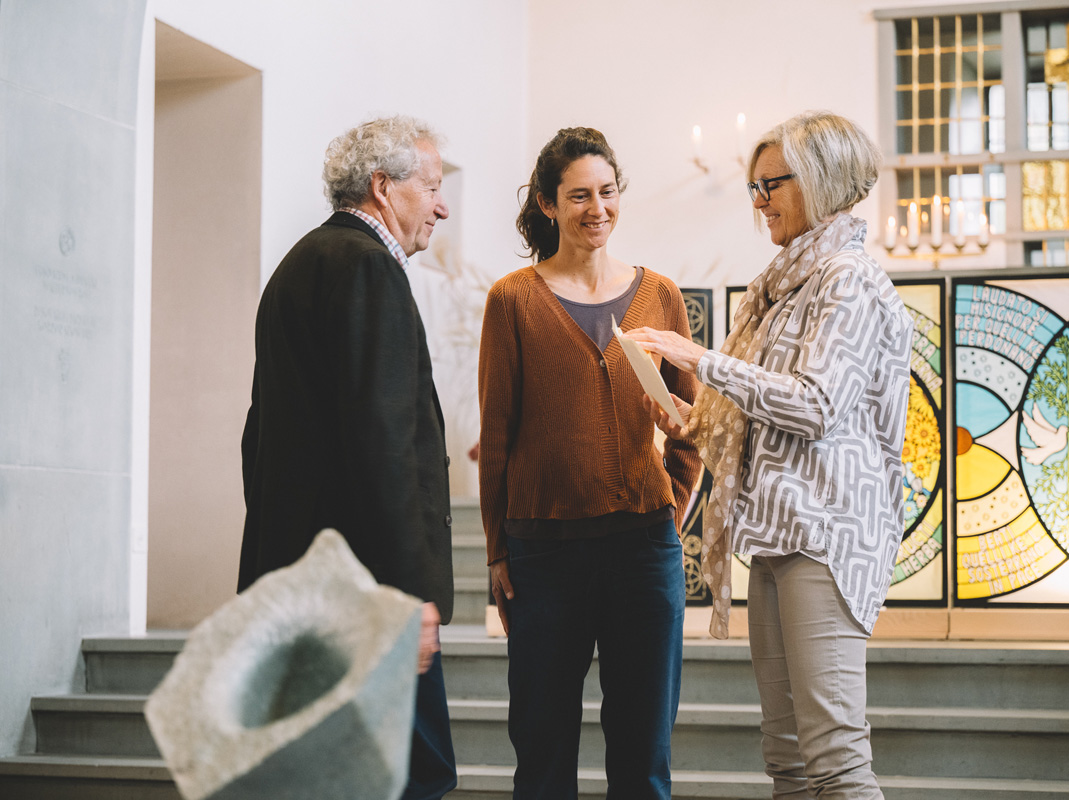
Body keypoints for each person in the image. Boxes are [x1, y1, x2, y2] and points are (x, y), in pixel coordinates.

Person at [626, 111, 913, 799]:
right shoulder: (783, 287)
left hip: (827, 534)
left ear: (820, 179)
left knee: (837, 760)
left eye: (771, 185)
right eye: (753, 187)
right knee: (786, 759)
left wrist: (703, 360)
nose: (758, 203)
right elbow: (766, 412)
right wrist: (687, 418)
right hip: (776, 533)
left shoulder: (847, 278)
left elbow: (815, 406)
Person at [478, 127, 703, 800]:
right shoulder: (513, 300)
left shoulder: (659, 293)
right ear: (548, 204)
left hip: (644, 551)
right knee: (543, 758)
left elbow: (696, 419)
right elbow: (497, 437)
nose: (596, 208)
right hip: (544, 556)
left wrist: (676, 501)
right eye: (578, 196)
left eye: (607, 192)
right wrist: (497, 553)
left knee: (643, 759)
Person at [238, 115, 457, 800]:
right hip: (366, 591)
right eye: (430, 186)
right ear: (383, 187)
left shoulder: (300, 264)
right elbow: (383, 444)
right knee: (413, 775)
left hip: (308, 580)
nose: (442, 205)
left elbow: (259, 439)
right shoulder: (367, 268)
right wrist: (410, 593)